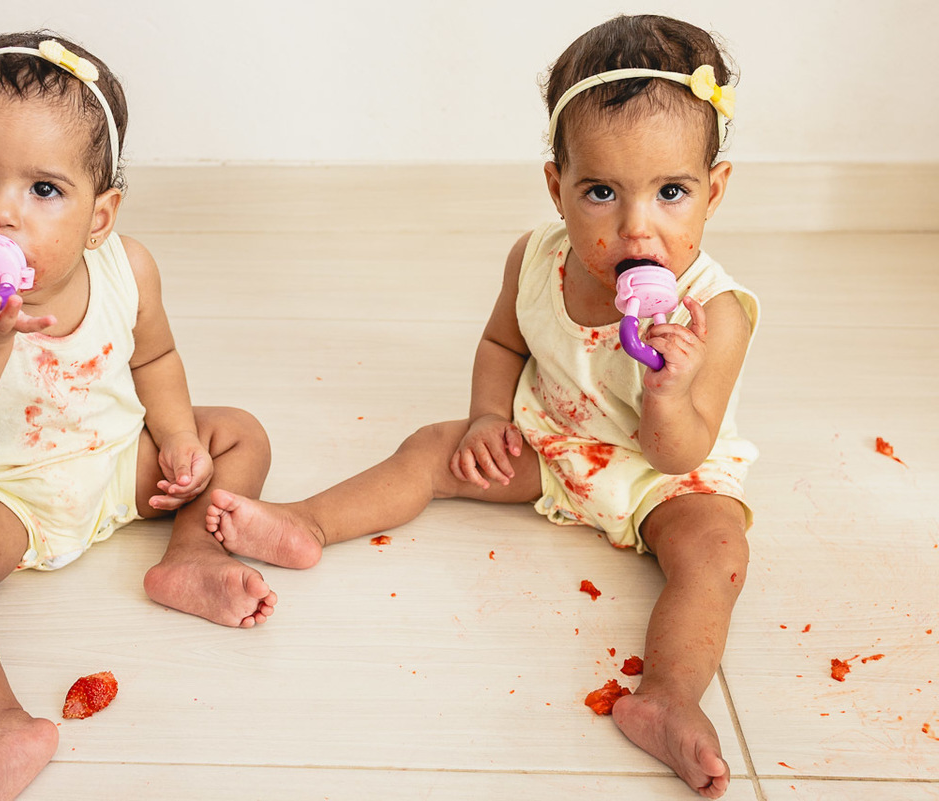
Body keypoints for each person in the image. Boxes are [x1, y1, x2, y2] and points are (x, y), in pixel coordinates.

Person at [204, 15, 757, 799]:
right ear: (555, 187)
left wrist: (668, 389)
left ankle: (668, 694)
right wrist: (490, 416)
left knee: (715, 553)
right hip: (554, 439)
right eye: (600, 192)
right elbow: (504, 344)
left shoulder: (715, 312)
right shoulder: (538, 258)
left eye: (672, 193)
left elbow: (681, 453)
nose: (638, 227)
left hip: (662, 471)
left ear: (716, 190)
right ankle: (307, 520)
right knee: (435, 446)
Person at [0, 31, 276, 801]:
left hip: (117, 461)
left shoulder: (129, 268)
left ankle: (188, 555)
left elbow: (154, 360)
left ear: (100, 215)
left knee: (238, 431)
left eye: (43, 190)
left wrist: (180, 438)